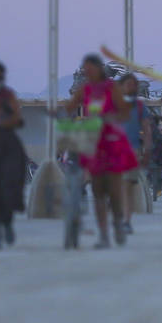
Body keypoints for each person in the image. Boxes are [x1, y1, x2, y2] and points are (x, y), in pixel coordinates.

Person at [64, 55, 139, 248]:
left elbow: (124, 112)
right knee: (97, 192)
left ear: (98, 69)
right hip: (94, 143)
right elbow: (71, 106)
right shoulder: (85, 89)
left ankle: (117, 223)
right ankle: (104, 234)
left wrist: (110, 118)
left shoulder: (112, 88)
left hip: (111, 142)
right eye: (84, 69)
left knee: (114, 192)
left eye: (89, 69)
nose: (86, 72)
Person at [0, 62, 27, 249]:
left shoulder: (8, 95)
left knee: (8, 186)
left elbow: (17, 118)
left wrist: (2, 122)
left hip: (8, 146)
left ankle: (7, 224)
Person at [117, 73, 151, 236]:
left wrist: (147, 149)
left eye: (134, 84)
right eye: (129, 84)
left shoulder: (139, 106)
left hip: (132, 151)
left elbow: (147, 128)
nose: (132, 87)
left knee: (126, 187)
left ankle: (126, 220)